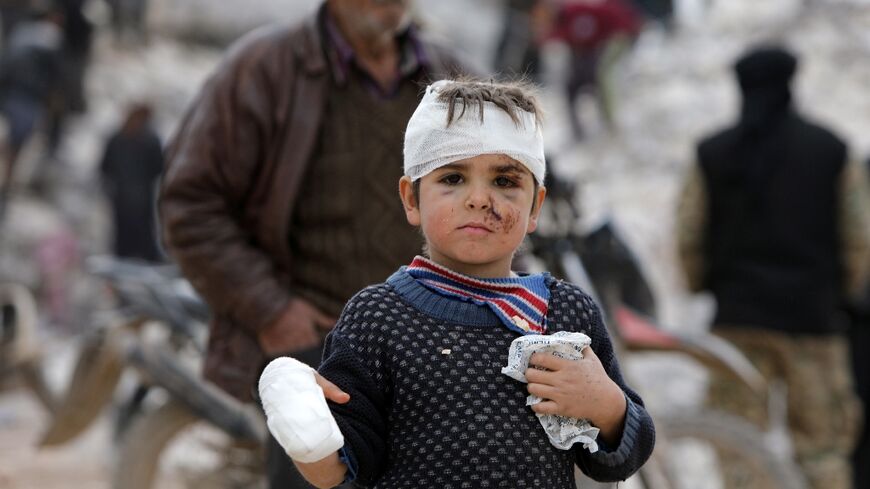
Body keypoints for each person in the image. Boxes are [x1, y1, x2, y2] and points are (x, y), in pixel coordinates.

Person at [259, 79, 655, 489]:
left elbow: (619, 461)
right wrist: (305, 428)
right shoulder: (377, 318)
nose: (479, 199)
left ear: (535, 205)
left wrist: (608, 407)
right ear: (411, 199)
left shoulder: (566, 313)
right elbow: (343, 469)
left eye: (504, 181)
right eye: (452, 178)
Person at [159, 0, 467, 487]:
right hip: (318, 352)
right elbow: (190, 204)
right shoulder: (264, 68)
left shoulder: (452, 76)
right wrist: (271, 310)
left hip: (443, 350)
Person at [677, 45, 870, 489]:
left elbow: (689, 236)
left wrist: (704, 286)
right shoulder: (831, 150)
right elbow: (858, 237)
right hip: (814, 324)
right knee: (823, 449)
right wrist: (843, 294)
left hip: (739, 324)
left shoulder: (712, 153)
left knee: (742, 448)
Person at [544, 0, 641, 139]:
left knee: (603, 76)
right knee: (573, 87)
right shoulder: (564, 22)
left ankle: (610, 122)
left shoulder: (577, 15)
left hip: (620, 34)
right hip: (598, 48)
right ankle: (580, 131)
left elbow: (586, 36)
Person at [99, 103, 164, 262]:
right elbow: (158, 167)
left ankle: (124, 261)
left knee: (123, 235)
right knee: (142, 234)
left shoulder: (117, 137)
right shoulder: (150, 140)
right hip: (140, 196)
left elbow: (105, 166)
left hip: (120, 196)